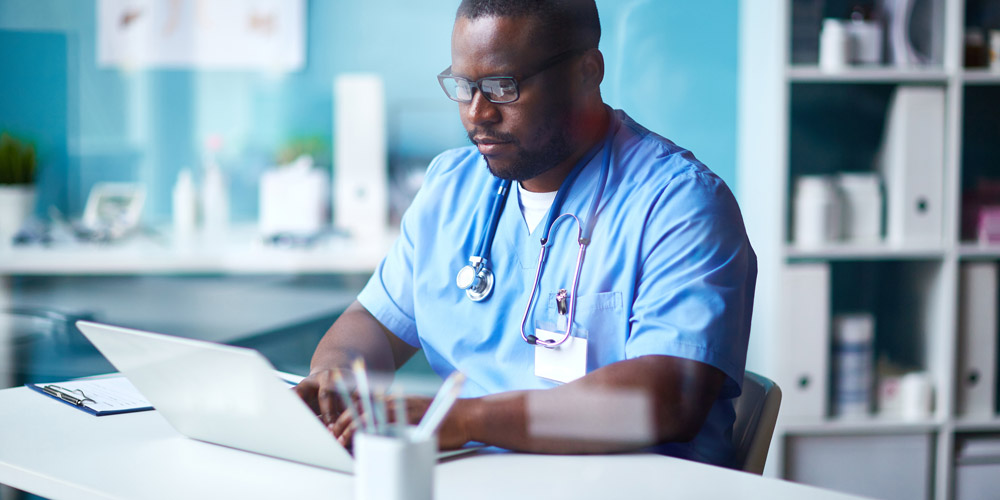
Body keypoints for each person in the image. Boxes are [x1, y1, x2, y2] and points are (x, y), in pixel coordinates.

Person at [295, 0, 756, 467]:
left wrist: (460, 420)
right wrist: (337, 376)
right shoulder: (449, 189)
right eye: (463, 87)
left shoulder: (681, 205)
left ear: (586, 72)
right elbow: (372, 321)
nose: (478, 113)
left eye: (502, 86)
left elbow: (667, 400)